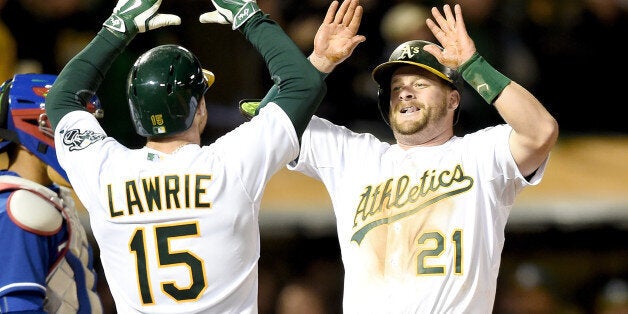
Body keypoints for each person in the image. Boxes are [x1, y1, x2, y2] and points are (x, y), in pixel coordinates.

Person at [244, 3, 559, 313]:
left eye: (420, 84)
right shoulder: (354, 155)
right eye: (397, 87)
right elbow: (268, 122)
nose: (406, 92)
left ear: (453, 99)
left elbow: (540, 131)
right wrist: (319, 63)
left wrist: (473, 65)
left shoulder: (479, 154)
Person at [44, 0, 335, 311]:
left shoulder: (105, 171)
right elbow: (302, 83)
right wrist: (251, 17)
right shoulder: (230, 163)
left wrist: (116, 28)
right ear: (200, 110)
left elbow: (61, 99)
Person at [0, 73, 103, 313]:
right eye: (68, 129)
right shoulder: (20, 204)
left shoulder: (45, 196)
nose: (81, 142)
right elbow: (18, 308)